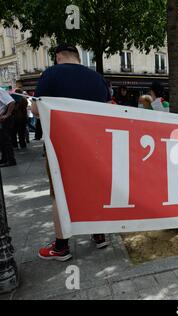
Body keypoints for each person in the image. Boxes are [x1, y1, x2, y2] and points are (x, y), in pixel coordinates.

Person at [31, 44, 111, 261]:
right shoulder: (97, 78)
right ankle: (99, 234)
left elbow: (37, 109)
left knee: (59, 192)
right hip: (94, 144)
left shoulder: (52, 74)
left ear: (58, 57)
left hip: (61, 145)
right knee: (93, 188)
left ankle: (61, 246)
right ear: (77, 57)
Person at [0, 87, 17, 167]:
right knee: (2, 141)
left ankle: (11, 160)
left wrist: (7, 114)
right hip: (3, 118)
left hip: (5, 119)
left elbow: (12, 102)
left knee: (6, 140)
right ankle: (4, 159)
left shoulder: (0, 90)